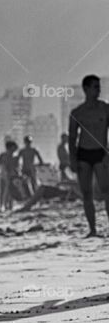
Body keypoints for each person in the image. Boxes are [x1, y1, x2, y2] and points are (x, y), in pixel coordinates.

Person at [68, 75, 109, 237]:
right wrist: (72, 159)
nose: (98, 90)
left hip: (101, 153)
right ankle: (92, 229)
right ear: (85, 89)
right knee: (86, 193)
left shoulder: (105, 109)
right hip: (83, 154)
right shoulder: (77, 113)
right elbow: (72, 138)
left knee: (107, 190)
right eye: (95, 87)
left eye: (99, 87)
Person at [0, 140, 20, 212]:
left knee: (6, 192)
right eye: (14, 148)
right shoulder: (12, 157)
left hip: (6, 176)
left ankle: (5, 206)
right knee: (7, 191)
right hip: (7, 176)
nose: (14, 150)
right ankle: (5, 206)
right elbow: (16, 167)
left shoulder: (3, 155)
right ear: (10, 148)